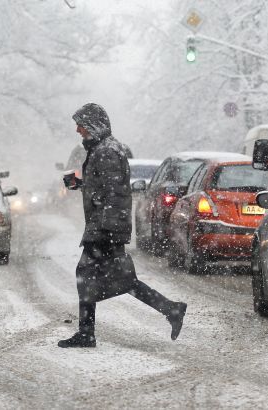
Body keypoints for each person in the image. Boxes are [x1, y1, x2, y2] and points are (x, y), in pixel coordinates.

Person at [58, 103, 187, 348]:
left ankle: (87, 333)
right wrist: (80, 183)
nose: (78, 129)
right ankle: (170, 309)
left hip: (105, 228)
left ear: (94, 125)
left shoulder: (107, 151)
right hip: (104, 226)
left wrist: (108, 230)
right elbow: (105, 187)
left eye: (81, 124)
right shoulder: (103, 149)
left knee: (90, 276)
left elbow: (115, 193)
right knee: (116, 279)